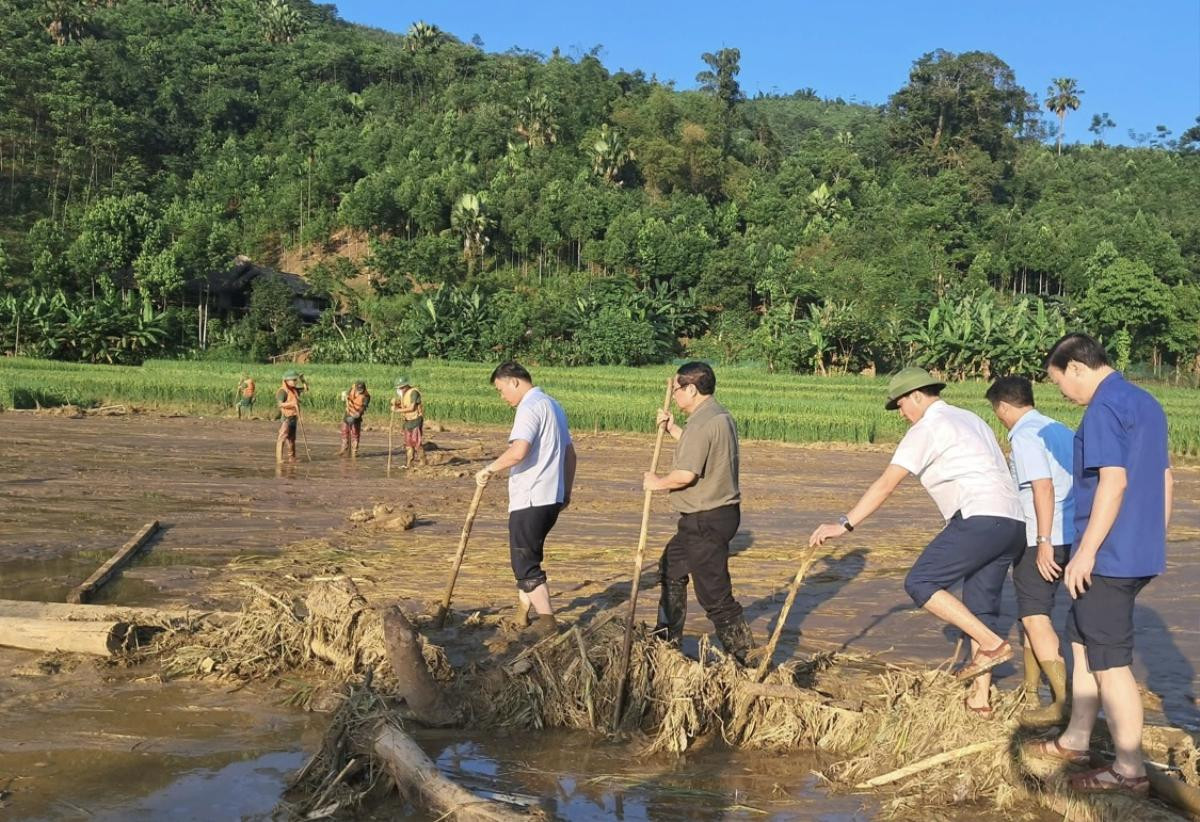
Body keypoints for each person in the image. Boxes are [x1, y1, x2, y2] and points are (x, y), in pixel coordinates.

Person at [809, 367, 1025, 715]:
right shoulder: (971, 419)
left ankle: (993, 644)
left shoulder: (927, 427)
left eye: (900, 405)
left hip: (979, 515)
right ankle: (981, 701)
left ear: (917, 396)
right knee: (980, 607)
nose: (901, 414)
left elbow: (886, 483)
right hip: (1013, 522)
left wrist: (845, 524)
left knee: (921, 581)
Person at [1027, 333, 1172, 797]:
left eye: (1059, 384)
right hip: (1136, 550)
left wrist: (1086, 552)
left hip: (1109, 555)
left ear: (1075, 367)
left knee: (1110, 661)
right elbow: (1166, 477)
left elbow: (1112, 481)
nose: (1063, 394)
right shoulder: (1146, 402)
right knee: (1081, 639)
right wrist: (1152, 538)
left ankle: (1129, 771)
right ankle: (1076, 739)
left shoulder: (1104, 408)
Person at [643, 362, 755, 665]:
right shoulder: (718, 416)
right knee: (671, 567)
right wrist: (672, 429)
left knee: (714, 594)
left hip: (705, 518)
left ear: (691, 389)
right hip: (713, 516)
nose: (675, 395)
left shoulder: (702, 422)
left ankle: (744, 657)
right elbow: (700, 450)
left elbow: (685, 475)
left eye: (678, 389)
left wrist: (657, 483)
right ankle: (666, 638)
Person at [987, 375, 1075, 727]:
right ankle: (1029, 689)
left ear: (1005, 406)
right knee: (1030, 612)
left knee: (1036, 616)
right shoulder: (1060, 429)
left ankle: (1062, 703)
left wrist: (1042, 542)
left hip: (1044, 535)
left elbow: (1042, 487)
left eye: (998, 412)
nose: (1000, 419)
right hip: (1074, 533)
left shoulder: (1025, 436)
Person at [475, 362, 576, 638]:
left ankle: (548, 622)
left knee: (524, 564)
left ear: (514, 382)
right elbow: (570, 455)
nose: (502, 397)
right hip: (551, 497)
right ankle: (522, 614)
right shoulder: (554, 406)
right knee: (527, 555)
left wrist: (488, 469)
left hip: (531, 498)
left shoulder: (529, 407)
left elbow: (519, 451)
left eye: (500, 390)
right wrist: (565, 492)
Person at [391, 376, 425, 468]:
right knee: (408, 444)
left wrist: (397, 410)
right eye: (399, 388)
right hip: (407, 420)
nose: (400, 389)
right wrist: (396, 404)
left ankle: (423, 462)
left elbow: (412, 408)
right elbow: (405, 405)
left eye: (401, 388)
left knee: (416, 442)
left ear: (406, 386)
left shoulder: (414, 392)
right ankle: (409, 463)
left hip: (415, 419)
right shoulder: (403, 394)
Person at [275, 370, 307, 462]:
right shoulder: (282, 391)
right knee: (282, 438)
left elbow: (305, 389)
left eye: (295, 380)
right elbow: (280, 404)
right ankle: (279, 459)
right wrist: (292, 403)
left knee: (292, 438)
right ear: (287, 381)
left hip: (294, 417)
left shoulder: (294, 390)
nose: (295, 382)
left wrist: (303, 380)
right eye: (293, 380)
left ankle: (291, 457)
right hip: (286, 418)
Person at [338, 380, 370, 457]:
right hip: (348, 411)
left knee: (355, 432)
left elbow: (363, 407)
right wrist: (344, 396)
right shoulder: (352, 388)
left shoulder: (366, 396)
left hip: (357, 413)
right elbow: (347, 395)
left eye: (361, 390)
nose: (359, 392)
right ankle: (344, 447)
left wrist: (357, 414)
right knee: (344, 430)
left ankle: (354, 451)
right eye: (358, 390)